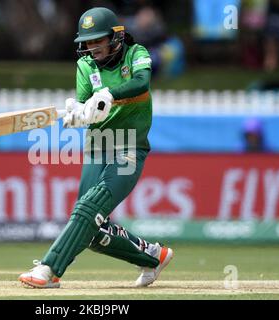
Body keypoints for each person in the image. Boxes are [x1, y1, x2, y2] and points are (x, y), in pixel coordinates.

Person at [18, 7, 173, 289]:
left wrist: (108, 95)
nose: (92, 47)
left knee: (88, 210)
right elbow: (86, 103)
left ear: (115, 37)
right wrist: (79, 113)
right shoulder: (85, 66)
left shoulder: (135, 53)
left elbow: (141, 83)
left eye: (98, 40)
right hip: (97, 147)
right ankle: (153, 256)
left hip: (129, 146)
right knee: (88, 228)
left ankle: (49, 269)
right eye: (88, 42)